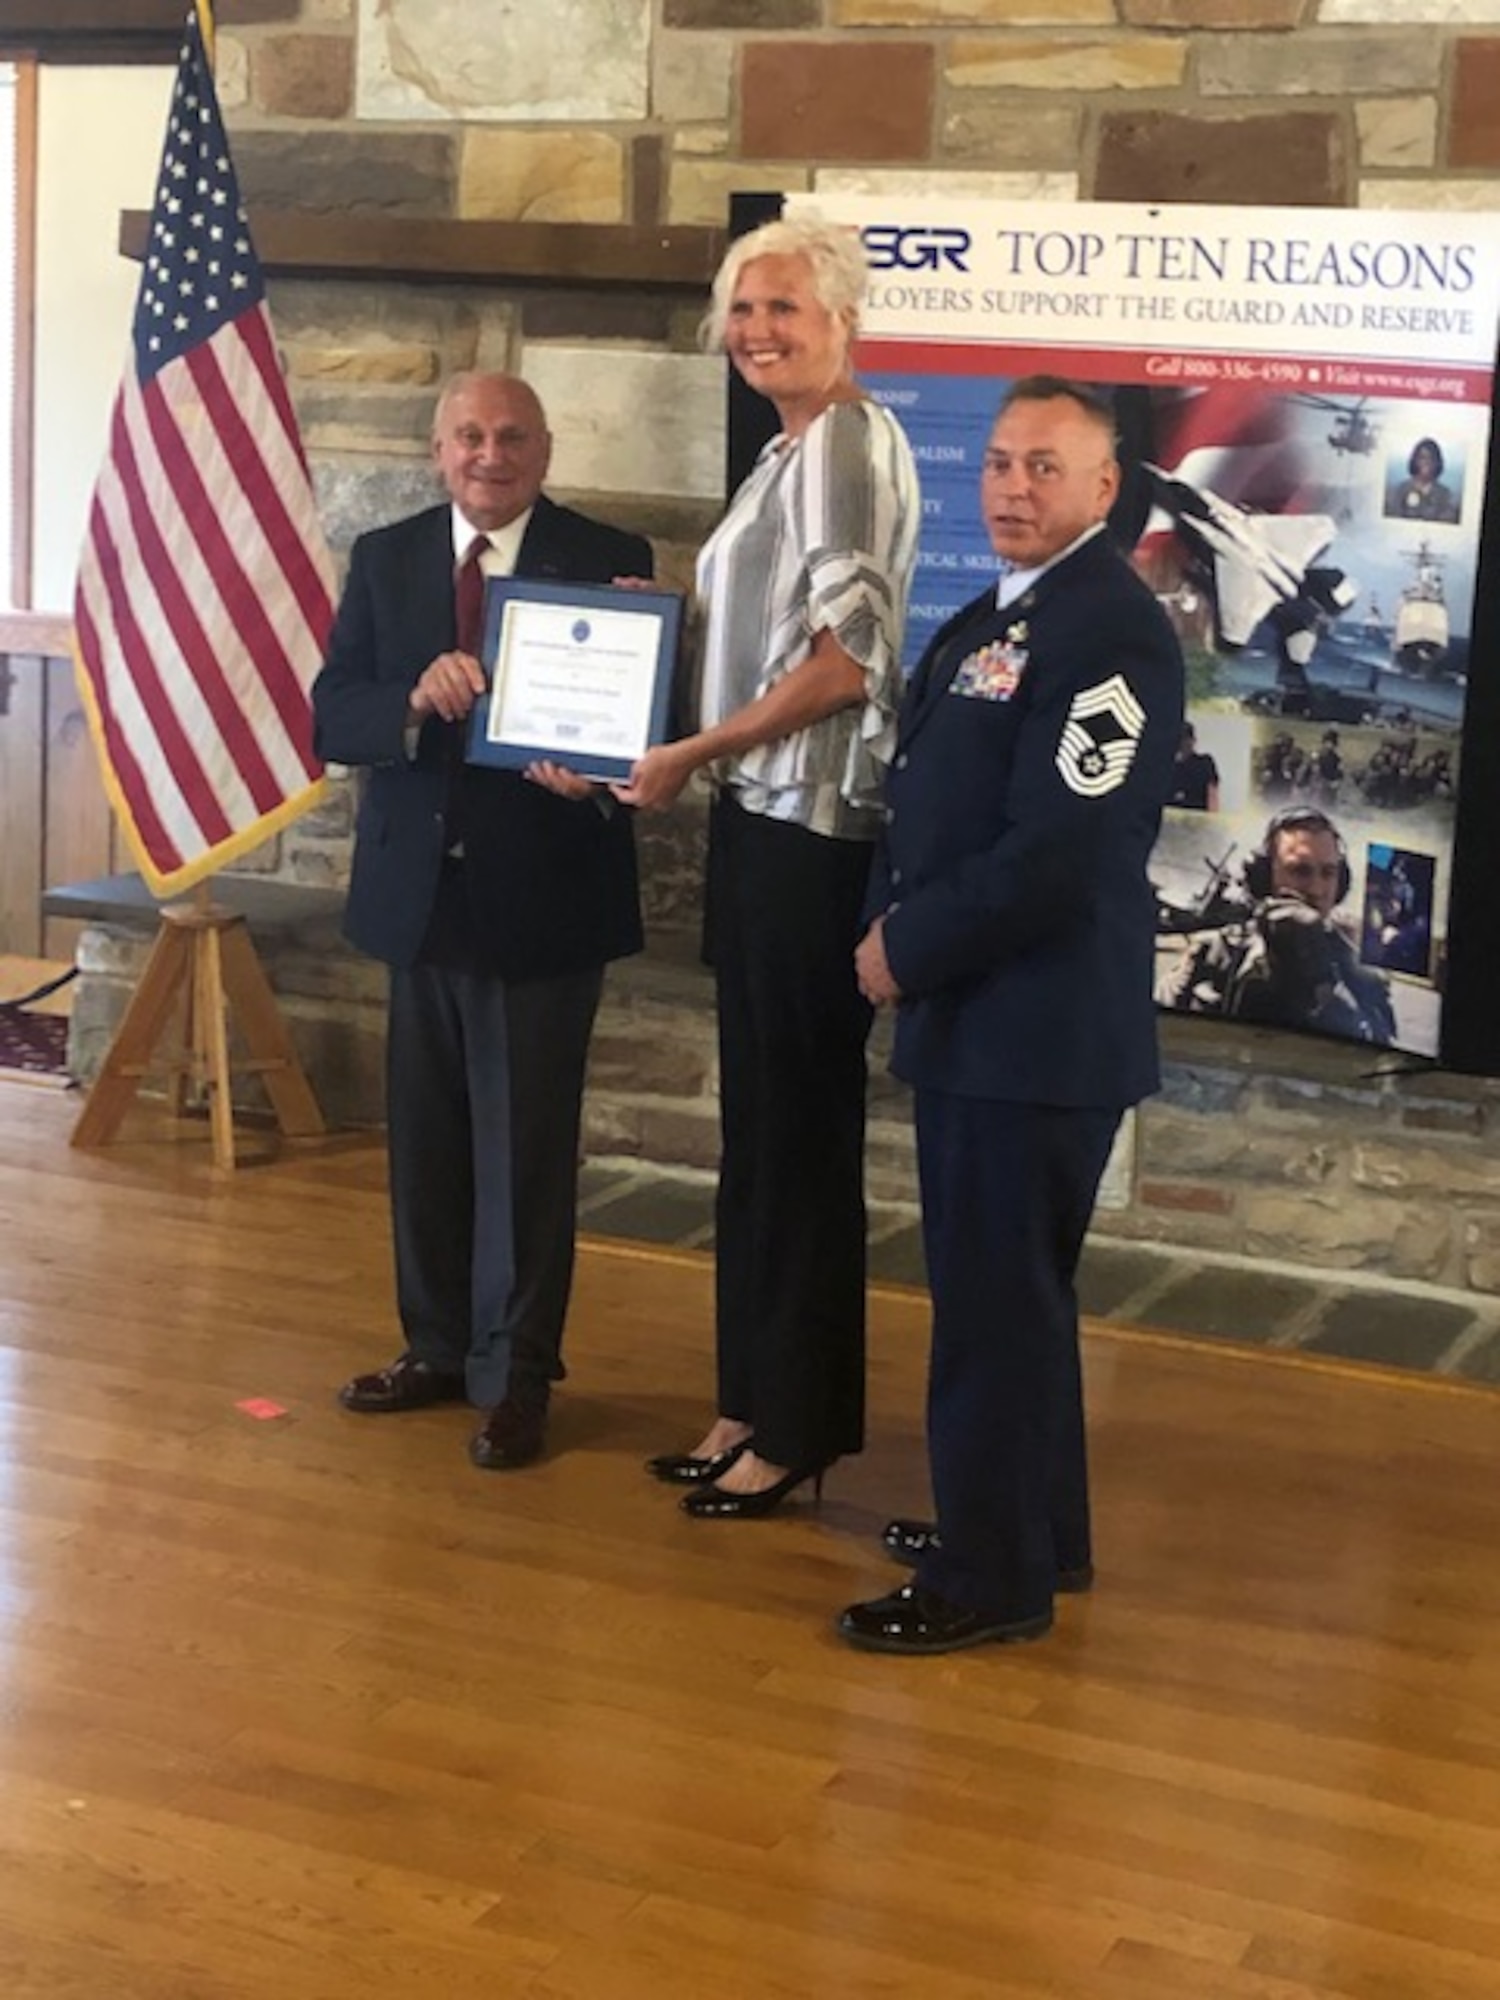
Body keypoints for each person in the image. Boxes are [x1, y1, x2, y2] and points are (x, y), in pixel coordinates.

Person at [839, 376, 1184, 1655]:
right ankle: (1035, 1526)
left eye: (1045, 467)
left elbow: (1062, 854)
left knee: (992, 1302)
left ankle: (991, 1577)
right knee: (1015, 1296)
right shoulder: (1001, 613)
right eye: (996, 463)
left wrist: (906, 947)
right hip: (983, 1015)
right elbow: (927, 785)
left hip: (1032, 1026)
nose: (1012, 488)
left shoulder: (1112, 631)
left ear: (1104, 489)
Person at [620, 210, 920, 1518]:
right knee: (757, 1134)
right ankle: (750, 1398)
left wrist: (692, 746)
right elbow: (770, 634)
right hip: (759, 816)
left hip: (809, 828)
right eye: (742, 310)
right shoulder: (787, 450)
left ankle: (798, 1428)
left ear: (844, 316)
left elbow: (847, 662)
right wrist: (659, 635)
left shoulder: (848, 437)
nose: (756, 332)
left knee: (798, 1137)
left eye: (783, 308)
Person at [314, 372, 653, 1470]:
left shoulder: (610, 554)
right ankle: (438, 1347)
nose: (489, 454)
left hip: (546, 899)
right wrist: (413, 698)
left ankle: (519, 1380)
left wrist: (597, 777)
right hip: (419, 899)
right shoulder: (388, 556)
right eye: (470, 435)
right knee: (424, 1144)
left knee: (527, 1158)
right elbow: (335, 711)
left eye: (512, 437)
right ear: (437, 448)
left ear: (544, 451)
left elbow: (648, 725)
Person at [1159, 805, 1396, 1044]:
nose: (1316, 889)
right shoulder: (1214, 953)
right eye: (1300, 871)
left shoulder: (1359, 969)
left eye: (1328, 873)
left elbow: (1378, 1047)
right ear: (1264, 878)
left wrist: (1321, 980)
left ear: (1341, 883)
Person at [1387, 438, 1459, 525]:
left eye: (1431, 458)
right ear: (1415, 460)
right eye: (1422, 458)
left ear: (1437, 462)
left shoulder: (1445, 495)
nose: (1426, 462)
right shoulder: (1401, 490)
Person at [1169, 722, 1219, 812]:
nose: (1183, 744)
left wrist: (1212, 820)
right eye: (1181, 740)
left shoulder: (1204, 763)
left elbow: (1212, 795)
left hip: (1198, 820)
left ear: (1193, 740)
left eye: (1186, 739)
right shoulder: (1167, 767)